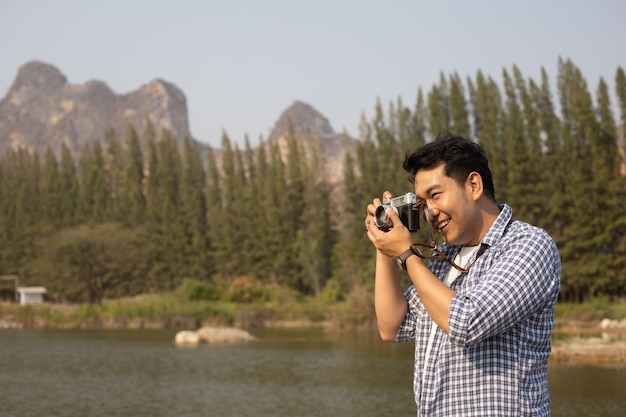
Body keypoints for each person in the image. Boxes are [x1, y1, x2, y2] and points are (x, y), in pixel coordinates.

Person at [365, 132, 561, 416]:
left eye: (435, 195)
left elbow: (467, 321)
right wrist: (385, 247)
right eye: (421, 203)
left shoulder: (528, 245)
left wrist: (406, 255)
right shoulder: (446, 259)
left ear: (473, 184)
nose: (430, 212)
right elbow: (392, 325)